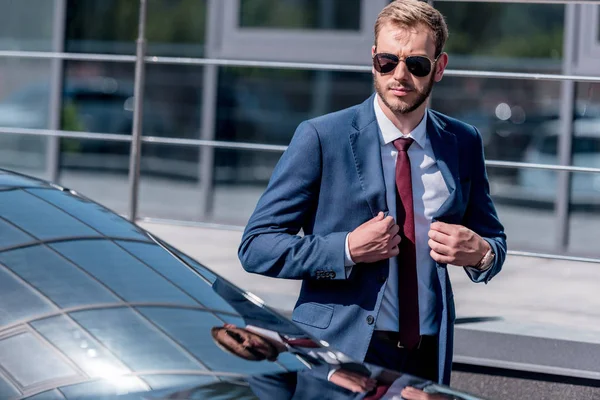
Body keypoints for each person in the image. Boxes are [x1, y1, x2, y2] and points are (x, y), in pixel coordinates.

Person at [238, 0, 506, 386]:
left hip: (428, 360)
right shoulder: (321, 137)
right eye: (386, 61)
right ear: (373, 59)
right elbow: (256, 246)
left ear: (440, 68)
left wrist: (481, 254)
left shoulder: (462, 142)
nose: (399, 75)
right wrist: (346, 249)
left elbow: (493, 239)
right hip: (341, 355)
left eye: (416, 65)